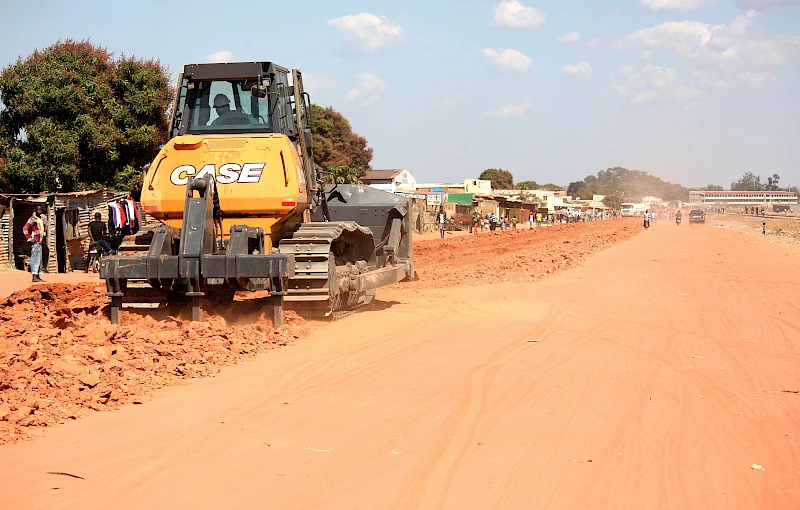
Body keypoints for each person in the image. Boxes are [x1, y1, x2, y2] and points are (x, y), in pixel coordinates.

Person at [22, 205, 47, 282]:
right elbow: (25, 228)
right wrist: (29, 239)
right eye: (38, 209)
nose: (40, 211)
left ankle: (38, 275)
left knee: (39, 260)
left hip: (40, 242)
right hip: (35, 241)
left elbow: (44, 228)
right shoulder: (32, 219)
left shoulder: (41, 219)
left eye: (41, 209)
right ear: (35, 210)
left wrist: (44, 232)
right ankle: (34, 276)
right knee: (34, 259)